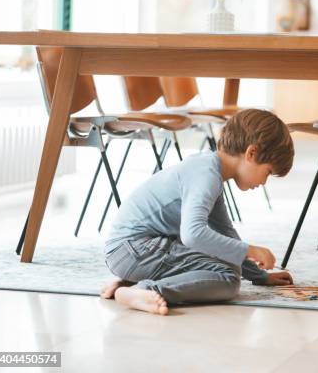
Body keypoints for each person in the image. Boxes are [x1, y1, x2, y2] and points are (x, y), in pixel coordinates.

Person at [100, 109, 295, 315]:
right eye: (268, 172)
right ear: (251, 153)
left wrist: (258, 275)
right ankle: (145, 290)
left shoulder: (211, 171)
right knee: (227, 277)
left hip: (134, 250)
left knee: (223, 261)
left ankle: (129, 282)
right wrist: (250, 250)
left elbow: (224, 233)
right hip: (133, 249)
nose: (264, 182)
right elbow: (193, 235)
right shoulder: (206, 176)